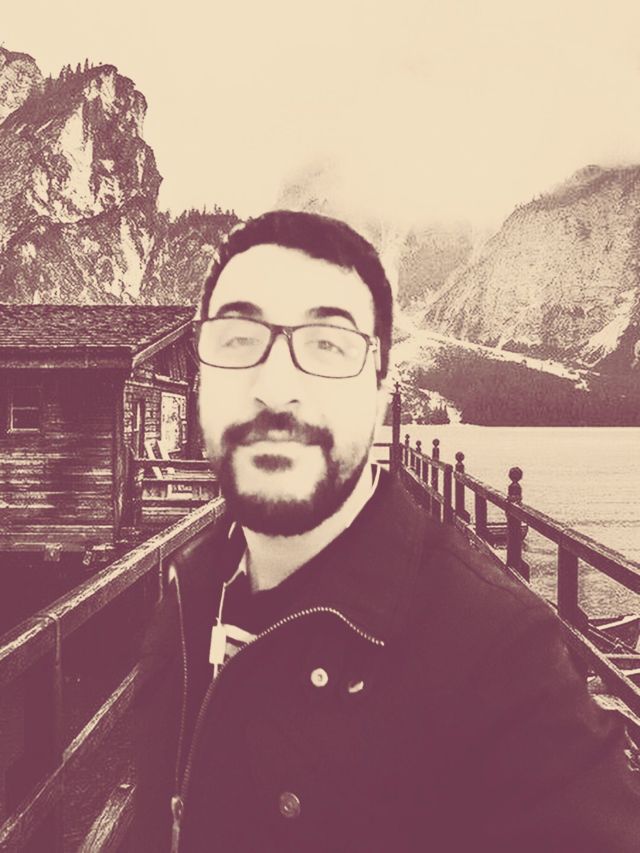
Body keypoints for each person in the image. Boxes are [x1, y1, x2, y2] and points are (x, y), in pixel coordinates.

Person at [134, 210, 640, 853]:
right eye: (237, 338)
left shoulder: (505, 660)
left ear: (380, 391)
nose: (276, 388)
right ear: (201, 377)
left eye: (328, 344)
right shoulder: (186, 592)